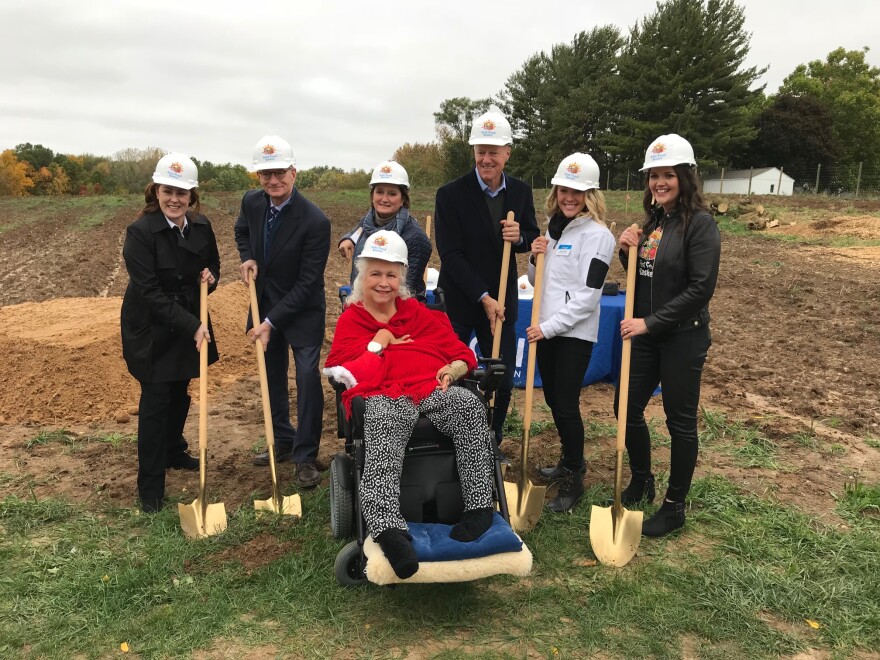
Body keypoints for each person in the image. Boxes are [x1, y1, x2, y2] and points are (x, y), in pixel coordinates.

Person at [324, 231, 496, 580]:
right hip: (381, 390)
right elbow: (344, 370)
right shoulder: (351, 320)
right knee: (384, 420)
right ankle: (388, 528)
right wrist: (379, 341)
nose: (384, 283)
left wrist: (453, 369)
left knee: (468, 407)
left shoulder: (419, 314)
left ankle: (478, 508)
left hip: (430, 384)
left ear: (402, 278)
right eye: (376, 273)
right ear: (362, 276)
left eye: (391, 275)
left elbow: (460, 352)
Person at [616, 133, 721, 536]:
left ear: (685, 176)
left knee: (680, 422)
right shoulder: (655, 220)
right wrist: (627, 251)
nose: (659, 183)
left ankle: (674, 506)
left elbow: (700, 288)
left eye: (667, 175)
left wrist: (651, 322)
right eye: (654, 176)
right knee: (625, 409)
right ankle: (643, 478)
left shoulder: (701, 225)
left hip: (682, 336)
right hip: (646, 333)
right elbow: (644, 275)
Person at [434, 106, 540, 452]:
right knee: (453, 369)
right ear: (474, 152)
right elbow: (449, 255)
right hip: (462, 300)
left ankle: (492, 437)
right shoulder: (451, 194)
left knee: (502, 373)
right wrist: (482, 296)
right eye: (481, 151)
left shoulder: (521, 193)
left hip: (503, 299)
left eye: (494, 151)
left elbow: (532, 236)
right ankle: (452, 434)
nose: (487, 158)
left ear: (507, 153)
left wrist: (519, 236)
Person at [121, 153, 220, 513]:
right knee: (157, 398)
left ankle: (173, 451)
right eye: (168, 191)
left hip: (188, 319)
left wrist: (211, 277)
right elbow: (149, 293)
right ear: (156, 192)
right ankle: (150, 487)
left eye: (183, 193)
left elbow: (213, 265)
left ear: (192, 196)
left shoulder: (201, 226)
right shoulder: (141, 233)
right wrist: (194, 325)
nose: (175, 199)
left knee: (181, 391)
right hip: (151, 326)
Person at [234, 135, 331, 488]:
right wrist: (246, 256)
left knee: (306, 377)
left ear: (294, 172)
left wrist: (273, 322)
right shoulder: (251, 202)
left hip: (302, 310)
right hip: (264, 303)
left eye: (279, 174)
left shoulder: (315, 221)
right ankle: (283, 441)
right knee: (270, 375)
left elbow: (307, 283)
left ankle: (306, 455)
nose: (273, 181)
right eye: (265, 175)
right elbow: (241, 230)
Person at [526, 153, 616, 513]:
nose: (569, 197)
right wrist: (534, 259)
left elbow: (587, 297)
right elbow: (537, 284)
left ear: (590, 195)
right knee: (554, 400)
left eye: (577, 191)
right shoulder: (552, 228)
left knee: (565, 404)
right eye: (564, 189)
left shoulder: (599, 237)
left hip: (573, 334)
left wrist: (547, 328)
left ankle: (574, 475)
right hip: (548, 331)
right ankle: (566, 460)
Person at [338, 160, 431, 298]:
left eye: (392, 194)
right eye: (379, 192)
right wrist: (347, 239)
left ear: (403, 199)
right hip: (363, 305)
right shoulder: (368, 221)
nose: (384, 199)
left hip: (396, 312)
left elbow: (405, 292)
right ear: (372, 196)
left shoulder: (414, 237)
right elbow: (357, 232)